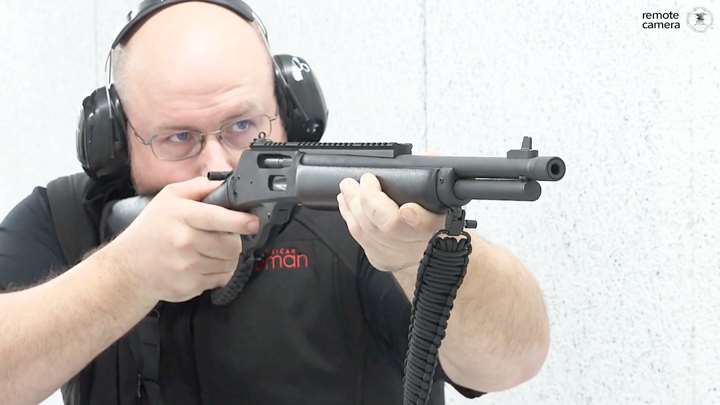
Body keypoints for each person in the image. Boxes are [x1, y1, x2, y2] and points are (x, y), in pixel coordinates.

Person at [0, 1, 550, 404]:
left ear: (289, 114)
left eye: (241, 126)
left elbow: (514, 359)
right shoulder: (68, 218)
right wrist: (124, 278)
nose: (216, 161)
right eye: (177, 138)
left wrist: (416, 256)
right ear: (117, 143)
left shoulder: (352, 210)